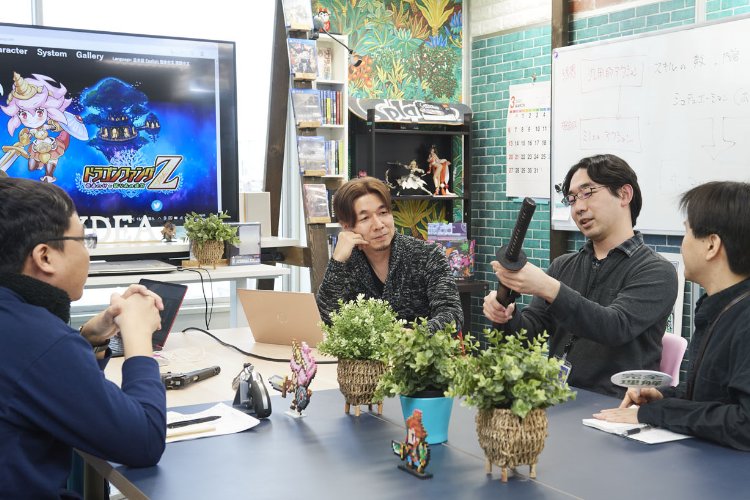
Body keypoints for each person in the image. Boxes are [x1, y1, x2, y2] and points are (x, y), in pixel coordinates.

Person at [0, 177, 167, 498]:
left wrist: (90, 340)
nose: (87, 254)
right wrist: (138, 336)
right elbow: (144, 441)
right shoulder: (37, 339)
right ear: (45, 257)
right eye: (83, 240)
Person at [483, 154, 678, 397]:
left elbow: (614, 327)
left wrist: (549, 288)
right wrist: (505, 315)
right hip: (558, 398)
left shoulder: (656, 271)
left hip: (617, 405)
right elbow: (528, 335)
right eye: (572, 199)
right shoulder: (563, 266)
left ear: (624, 195)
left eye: (588, 193)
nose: (578, 207)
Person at [594, 181, 750, 450]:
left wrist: (658, 413)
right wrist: (663, 397)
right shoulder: (719, 307)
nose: (682, 244)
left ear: (712, 245)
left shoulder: (744, 319)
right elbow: (713, 396)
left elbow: (744, 423)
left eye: (686, 232)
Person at [317, 176, 462, 333]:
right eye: (365, 218)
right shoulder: (346, 264)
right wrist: (337, 261)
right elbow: (324, 321)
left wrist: (414, 335)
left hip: (421, 348)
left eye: (383, 212)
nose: (379, 225)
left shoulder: (428, 255)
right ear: (347, 227)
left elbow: (452, 315)